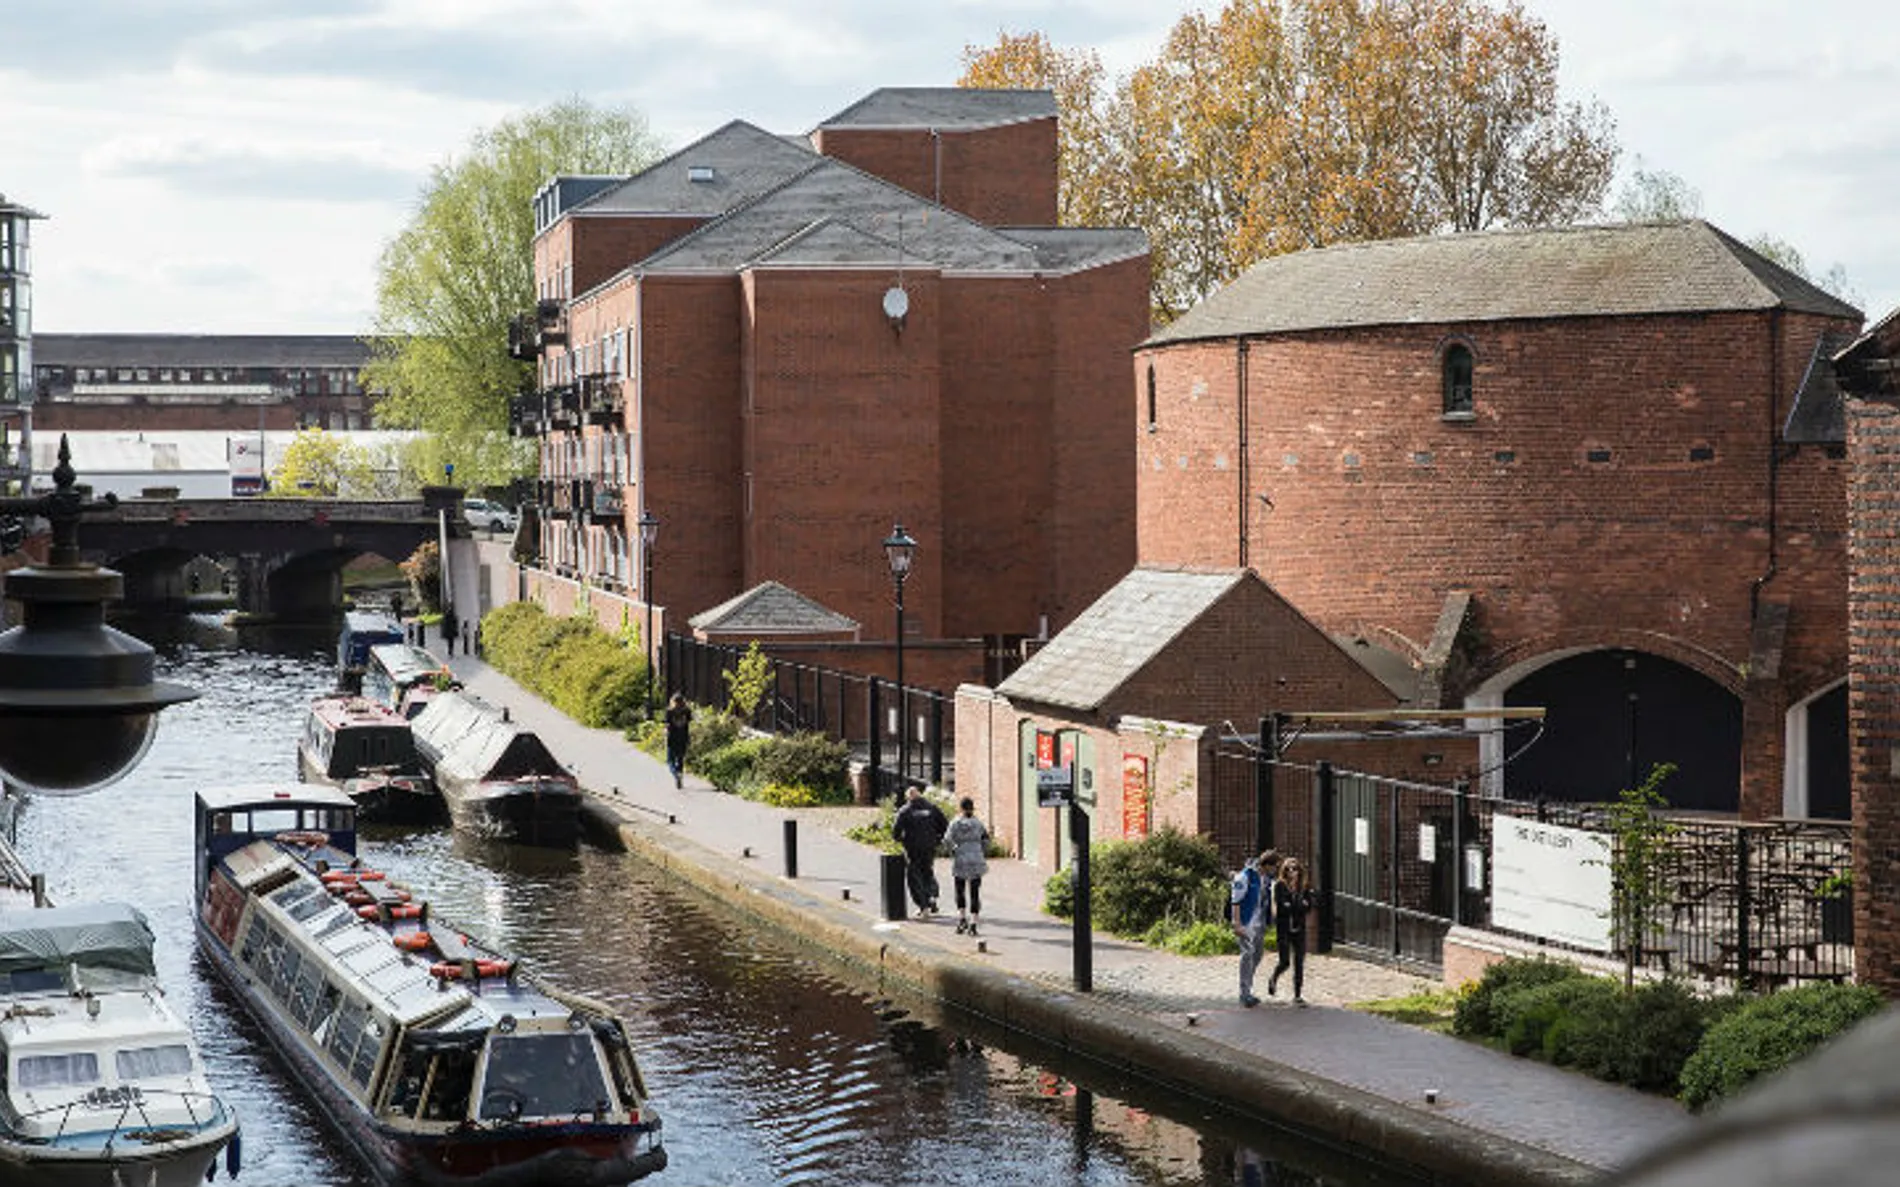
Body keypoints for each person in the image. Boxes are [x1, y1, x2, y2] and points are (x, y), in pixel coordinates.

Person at [1228, 849, 1278, 1007]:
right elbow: (1235, 900)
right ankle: (1245, 993)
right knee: (1247, 955)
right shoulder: (1246, 876)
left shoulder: (1266, 878)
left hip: (1260, 922)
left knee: (1257, 955)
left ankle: (1247, 986)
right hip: (1246, 922)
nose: (1276, 870)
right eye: (1275, 866)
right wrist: (1236, 924)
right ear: (1267, 865)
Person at [891, 786, 947, 918]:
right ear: (920, 795)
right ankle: (932, 896)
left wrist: (903, 841)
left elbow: (895, 832)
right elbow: (944, 825)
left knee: (914, 876)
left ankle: (924, 906)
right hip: (929, 847)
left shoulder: (905, 811)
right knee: (928, 871)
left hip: (913, 849)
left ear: (908, 797)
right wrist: (936, 840)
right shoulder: (932, 808)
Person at [1268, 856, 1318, 1005]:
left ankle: (1297, 995)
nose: (1292, 871)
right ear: (1284, 870)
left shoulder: (1304, 887)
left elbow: (1308, 906)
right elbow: (1282, 907)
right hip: (1284, 928)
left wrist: (1296, 905)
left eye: (1295, 868)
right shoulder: (1280, 886)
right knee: (1285, 962)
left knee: (1299, 962)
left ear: (1299, 871)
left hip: (1299, 928)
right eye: (1289, 869)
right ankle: (1273, 978)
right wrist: (1297, 905)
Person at [943, 797, 990, 936]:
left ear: (961, 808)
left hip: (961, 859)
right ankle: (974, 923)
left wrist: (954, 849)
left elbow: (947, 840)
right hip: (976, 859)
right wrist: (980, 851)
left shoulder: (955, 823)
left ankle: (962, 919)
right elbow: (986, 840)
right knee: (975, 892)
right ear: (972, 808)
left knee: (960, 890)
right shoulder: (978, 823)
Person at [664, 694, 692, 789]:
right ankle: (679, 773)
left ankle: (676, 774)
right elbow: (689, 723)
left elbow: (667, 726)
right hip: (683, 737)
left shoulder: (669, 712)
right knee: (680, 758)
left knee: (670, 760)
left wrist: (665, 735)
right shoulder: (687, 711)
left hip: (672, 738)